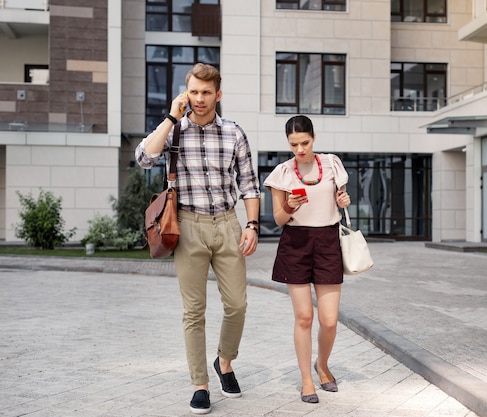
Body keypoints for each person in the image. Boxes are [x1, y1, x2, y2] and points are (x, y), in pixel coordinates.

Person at [135, 63, 261, 415]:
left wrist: (251, 225)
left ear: (218, 95)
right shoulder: (174, 131)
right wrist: (171, 119)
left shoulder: (234, 133)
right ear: (185, 93)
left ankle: (225, 360)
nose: (200, 99)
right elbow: (144, 158)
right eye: (194, 92)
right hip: (186, 226)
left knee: (237, 304)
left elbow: (249, 184)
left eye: (207, 92)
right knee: (194, 310)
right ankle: (200, 384)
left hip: (226, 223)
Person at [263, 115, 351, 403]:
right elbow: (278, 219)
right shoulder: (282, 173)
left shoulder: (332, 164)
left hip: (327, 242)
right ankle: (306, 381)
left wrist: (343, 200)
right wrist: (289, 204)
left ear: (314, 138)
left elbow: (340, 195)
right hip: (296, 243)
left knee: (329, 320)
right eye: (293, 144)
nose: (299, 149)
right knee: (304, 317)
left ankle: (322, 364)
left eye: (304, 142)